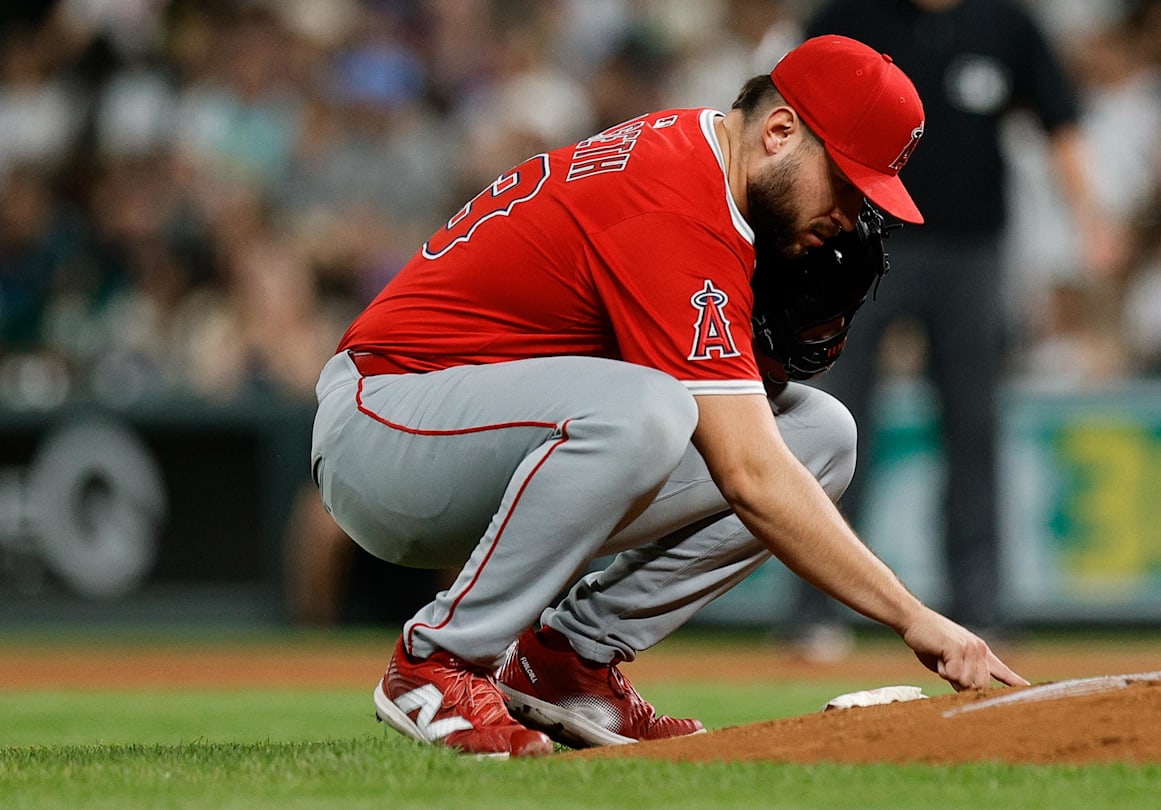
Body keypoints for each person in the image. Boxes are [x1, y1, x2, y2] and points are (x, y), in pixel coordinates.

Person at [308, 35, 1027, 760]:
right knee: (649, 413)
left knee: (820, 436)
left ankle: (570, 661)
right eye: (844, 182)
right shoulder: (673, 198)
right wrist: (913, 616)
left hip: (476, 435)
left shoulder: (707, 170)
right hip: (384, 425)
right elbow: (749, 474)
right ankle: (437, 662)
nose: (848, 214)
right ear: (780, 131)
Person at [795, 0, 1125, 635]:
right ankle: (816, 611)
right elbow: (794, 119)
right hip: (861, 240)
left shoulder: (1005, 23)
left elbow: (1059, 123)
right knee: (837, 423)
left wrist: (1090, 218)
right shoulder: (851, 16)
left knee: (974, 429)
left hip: (972, 253)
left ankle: (980, 609)